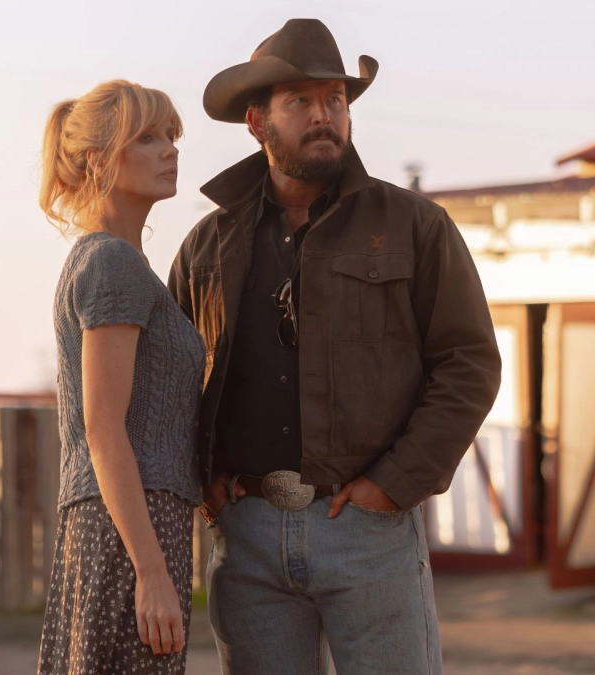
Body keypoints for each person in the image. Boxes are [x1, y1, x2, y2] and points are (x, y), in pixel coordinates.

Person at [168, 18, 502, 675]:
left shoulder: (413, 225)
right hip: (248, 534)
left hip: (369, 532)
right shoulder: (208, 244)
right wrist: (204, 482)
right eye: (301, 102)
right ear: (257, 123)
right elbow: (171, 382)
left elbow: (470, 363)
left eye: (335, 101)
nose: (324, 116)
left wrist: (393, 484)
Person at [36, 80, 205, 674]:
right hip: (130, 528)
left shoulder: (112, 259)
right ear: (98, 159)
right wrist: (151, 570)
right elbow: (103, 427)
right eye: (149, 137)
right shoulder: (112, 261)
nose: (170, 150)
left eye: (172, 136)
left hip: (121, 523)